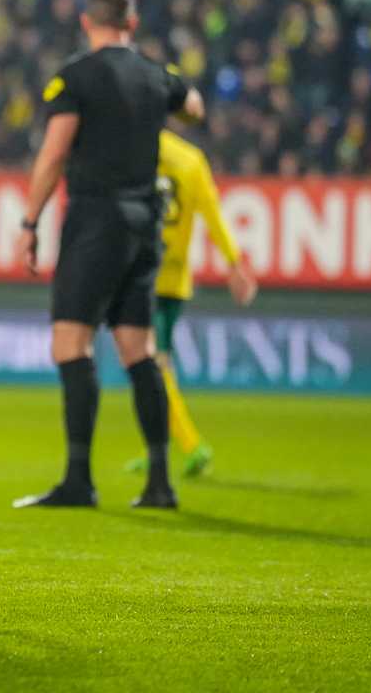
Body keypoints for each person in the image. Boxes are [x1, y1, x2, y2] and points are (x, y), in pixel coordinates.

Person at [13, 0, 203, 510]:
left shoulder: (76, 77)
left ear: (86, 23)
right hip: (146, 224)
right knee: (139, 351)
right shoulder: (156, 74)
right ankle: (160, 482)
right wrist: (166, 96)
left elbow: (55, 153)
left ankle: (79, 479)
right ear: (132, 24)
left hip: (96, 220)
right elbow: (194, 107)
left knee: (71, 344)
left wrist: (30, 222)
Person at [123, 126, 258, 479]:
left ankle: (191, 444)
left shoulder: (131, 149)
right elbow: (213, 214)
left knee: (151, 363)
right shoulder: (191, 160)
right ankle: (156, 445)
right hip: (175, 280)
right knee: (153, 363)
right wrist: (234, 263)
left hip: (144, 275)